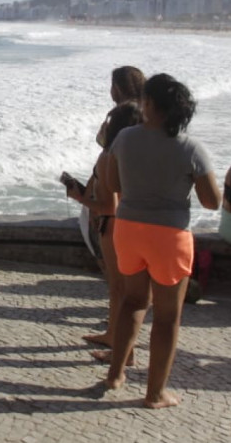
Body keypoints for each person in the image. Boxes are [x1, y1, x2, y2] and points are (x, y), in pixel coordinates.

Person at [103, 73, 220, 408]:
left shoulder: (124, 138)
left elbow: (112, 182)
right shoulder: (190, 147)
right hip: (169, 235)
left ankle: (115, 374)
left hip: (128, 228)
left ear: (151, 104)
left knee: (133, 301)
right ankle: (154, 393)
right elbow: (212, 201)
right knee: (168, 316)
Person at [65, 101, 143, 365]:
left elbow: (109, 205)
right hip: (133, 224)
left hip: (112, 225)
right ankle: (113, 336)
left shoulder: (109, 156)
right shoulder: (137, 155)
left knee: (119, 289)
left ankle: (122, 351)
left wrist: (79, 198)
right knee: (122, 289)